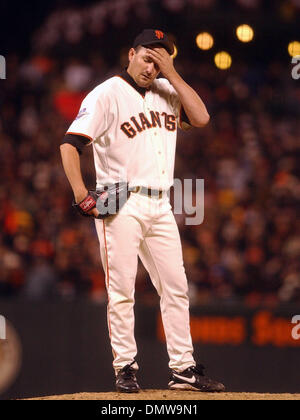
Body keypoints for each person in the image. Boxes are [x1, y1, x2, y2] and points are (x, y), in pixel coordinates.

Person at [60, 29, 225, 393]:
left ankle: (183, 369)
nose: (153, 66)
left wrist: (173, 74)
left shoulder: (168, 91)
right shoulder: (105, 94)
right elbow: (70, 145)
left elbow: (201, 118)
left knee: (177, 287)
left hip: (162, 202)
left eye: (161, 60)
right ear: (131, 53)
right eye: (148, 57)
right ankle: (125, 367)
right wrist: (80, 193)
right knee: (121, 289)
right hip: (120, 200)